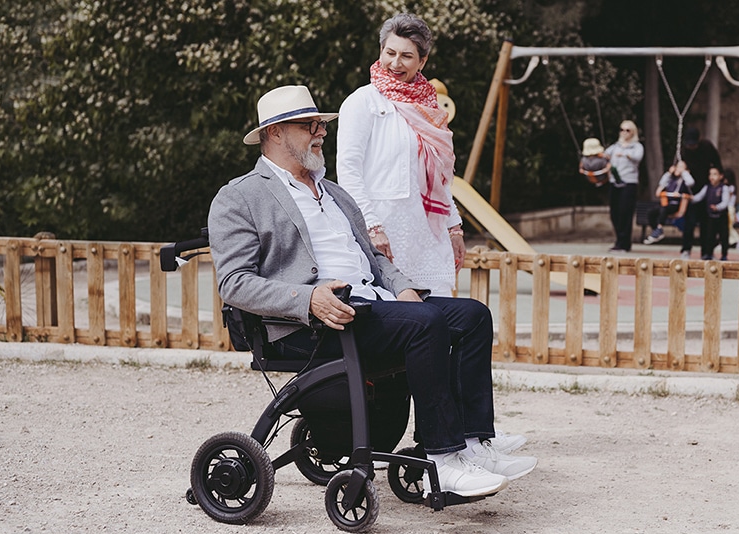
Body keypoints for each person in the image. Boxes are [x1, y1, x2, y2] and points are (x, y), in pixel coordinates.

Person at [207, 85, 535, 498]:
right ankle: (444, 459)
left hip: (373, 304)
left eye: (321, 124)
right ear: (274, 133)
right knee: (425, 324)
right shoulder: (239, 196)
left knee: (471, 316)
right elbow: (234, 282)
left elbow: (375, 260)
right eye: (310, 125)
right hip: (316, 323)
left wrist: (401, 289)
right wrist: (308, 299)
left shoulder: (336, 194)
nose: (321, 131)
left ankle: (473, 444)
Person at [336, 13, 464, 297]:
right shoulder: (362, 102)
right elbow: (348, 171)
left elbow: (439, 176)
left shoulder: (429, 107)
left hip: (429, 237)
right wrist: (371, 226)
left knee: (439, 326)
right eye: (389, 52)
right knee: (398, 327)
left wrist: (454, 227)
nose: (395, 63)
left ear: (423, 61)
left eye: (406, 56)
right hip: (385, 237)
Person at [680, 127, 722, 259]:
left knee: (707, 223)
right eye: (689, 144)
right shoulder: (684, 151)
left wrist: (716, 181)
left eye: (693, 144)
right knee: (689, 222)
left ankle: (707, 251)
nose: (691, 147)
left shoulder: (707, 147)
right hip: (691, 191)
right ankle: (686, 249)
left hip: (706, 188)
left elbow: (717, 164)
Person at [604, 120, 644, 253]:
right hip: (614, 182)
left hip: (629, 183)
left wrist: (626, 154)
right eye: (622, 130)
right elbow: (605, 155)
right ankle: (619, 240)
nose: (624, 133)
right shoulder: (616, 146)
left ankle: (624, 243)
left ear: (633, 132)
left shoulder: (636, 146)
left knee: (625, 213)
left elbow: (638, 157)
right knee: (614, 212)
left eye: (627, 130)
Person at [643, 160, 694, 245]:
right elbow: (660, 186)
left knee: (664, 209)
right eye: (678, 166)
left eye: (682, 167)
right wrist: (669, 173)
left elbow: (691, 182)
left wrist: (684, 172)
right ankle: (657, 230)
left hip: (677, 204)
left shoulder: (685, 181)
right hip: (667, 202)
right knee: (651, 212)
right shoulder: (671, 179)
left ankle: (659, 228)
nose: (679, 169)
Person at [691, 166, 730, 260]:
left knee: (724, 236)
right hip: (711, 216)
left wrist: (717, 207)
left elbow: (725, 202)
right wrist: (689, 198)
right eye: (710, 174)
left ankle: (724, 255)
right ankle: (709, 253)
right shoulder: (707, 187)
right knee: (709, 235)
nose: (712, 177)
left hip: (721, 216)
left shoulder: (724, 188)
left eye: (715, 174)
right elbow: (698, 197)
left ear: (721, 176)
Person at [724, 168, 739, 250]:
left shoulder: (731, 188)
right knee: (726, 227)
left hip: (730, 208)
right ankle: (726, 242)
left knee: (728, 227)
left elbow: (727, 199)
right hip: (729, 208)